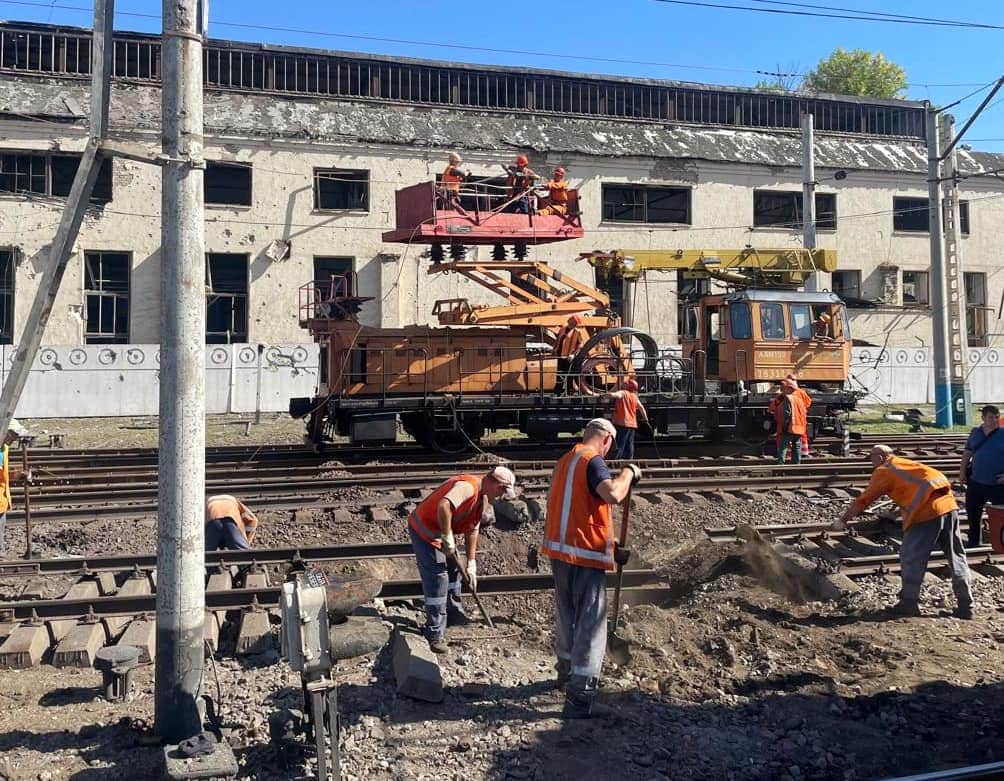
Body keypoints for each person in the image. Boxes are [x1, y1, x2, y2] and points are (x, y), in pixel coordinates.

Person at [542, 418, 641, 719]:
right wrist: (628, 473)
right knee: (592, 625)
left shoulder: (565, 461)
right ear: (607, 440)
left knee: (566, 614)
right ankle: (581, 696)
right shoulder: (592, 461)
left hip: (561, 552)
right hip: (584, 556)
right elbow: (613, 493)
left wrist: (609, 543)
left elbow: (577, 510)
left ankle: (565, 673)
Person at [835, 445, 973, 619]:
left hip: (926, 512)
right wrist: (896, 512)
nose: (871, 463)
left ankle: (908, 603)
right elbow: (917, 487)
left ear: (881, 456)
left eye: (872, 458)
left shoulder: (884, 470)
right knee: (956, 556)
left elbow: (864, 499)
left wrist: (843, 519)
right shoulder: (904, 464)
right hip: (948, 506)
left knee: (911, 557)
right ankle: (966, 606)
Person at [408, 465, 516, 653]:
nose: (501, 495)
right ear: (492, 482)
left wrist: (471, 563)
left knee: (456, 569)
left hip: (440, 532)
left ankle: (454, 613)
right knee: (438, 579)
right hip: (425, 531)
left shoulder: (482, 499)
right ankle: (434, 634)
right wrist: (447, 535)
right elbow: (444, 505)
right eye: (502, 490)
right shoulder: (469, 487)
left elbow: (472, 530)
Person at [958, 404, 1004, 548]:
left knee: (1001, 516)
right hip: (976, 481)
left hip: (998, 483)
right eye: (991, 417)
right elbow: (967, 453)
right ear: (983, 418)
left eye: (997, 417)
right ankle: (974, 543)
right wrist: (962, 473)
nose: (995, 420)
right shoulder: (975, 432)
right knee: (973, 514)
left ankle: (1000, 543)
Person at [0, 419, 30, 558]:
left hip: (2, 502)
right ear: (5, 432)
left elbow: (3, 475)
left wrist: (18, 475)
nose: (16, 438)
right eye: (14, 434)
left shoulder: (4, 449)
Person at [604, 376, 649, 459]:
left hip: (622, 423)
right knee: (629, 444)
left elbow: (615, 395)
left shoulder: (623, 393)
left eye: (626, 383)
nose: (623, 383)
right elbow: (641, 408)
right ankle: (629, 460)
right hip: (632, 424)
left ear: (628, 386)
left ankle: (615, 461)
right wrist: (645, 419)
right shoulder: (634, 397)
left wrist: (604, 395)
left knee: (619, 443)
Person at [768, 379, 807, 464]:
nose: (782, 390)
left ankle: (781, 464)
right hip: (799, 428)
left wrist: (784, 427)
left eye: (783, 388)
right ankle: (796, 464)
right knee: (796, 446)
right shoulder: (799, 400)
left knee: (783, 446)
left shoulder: (787, 399)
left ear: (789, 389)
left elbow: (787, 414)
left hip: (790, 427)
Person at [555, 314, 589, 394]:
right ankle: (558, 391)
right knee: (560, 374)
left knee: (569, 375)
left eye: (572, 320)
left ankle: (568, 391)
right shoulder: (562, 329)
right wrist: (554, 349)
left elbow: (580, 344)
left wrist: (573, 354)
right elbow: (558, 341)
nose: (569, 320)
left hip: (569, 357)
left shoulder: (576, 332)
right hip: (560, 356)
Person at [784, 373, 813, 457]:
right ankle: (804, 452)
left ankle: (789, 454)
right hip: (801, 417)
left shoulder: (785, 393)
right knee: (802, 434)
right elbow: (808, 403)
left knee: (788, 434)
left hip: (791, 418)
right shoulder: (801, 392)